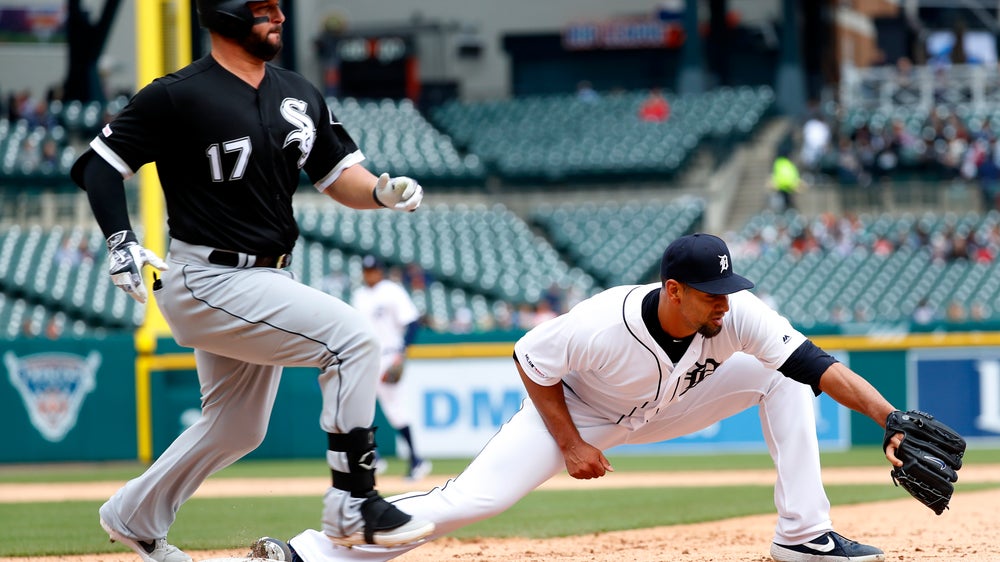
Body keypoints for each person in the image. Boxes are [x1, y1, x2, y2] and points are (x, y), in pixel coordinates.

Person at [277, 233, 911, 562]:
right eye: (711, 293)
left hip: (664, 406)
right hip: (578, 411)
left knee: (783, 375)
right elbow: (529, 359)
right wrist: (571, 442)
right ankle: (315, 551)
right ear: (673, 290)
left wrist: (890, 418)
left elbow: (818, 366)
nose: (725, 302)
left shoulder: (735, 313)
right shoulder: (604, 322)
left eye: (727, 290)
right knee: (475, 500)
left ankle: (804, 534)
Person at [69, 2, 434, 561]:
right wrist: (120, 240)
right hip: (207, 277)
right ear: (225, 14)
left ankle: (133, 517)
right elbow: (100, 165)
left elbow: (339, 175)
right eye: (263, 9)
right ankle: (353, 501)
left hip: (265, 276)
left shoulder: (298, 91)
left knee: (237, 427)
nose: (279, 16)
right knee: (354, 340)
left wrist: (380, 192)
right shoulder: (177, 95)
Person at [351, 255, 432, 481]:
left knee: (395, 411)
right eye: (366, 270)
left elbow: (412, 323)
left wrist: (402, 354)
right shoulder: (359, 295)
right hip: (367, 358)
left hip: (389, 356)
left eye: (373, 270)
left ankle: (417, 460)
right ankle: (374, 457)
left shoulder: (392, 291)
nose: (370, 274)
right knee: (357, 408)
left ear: (380, 271)